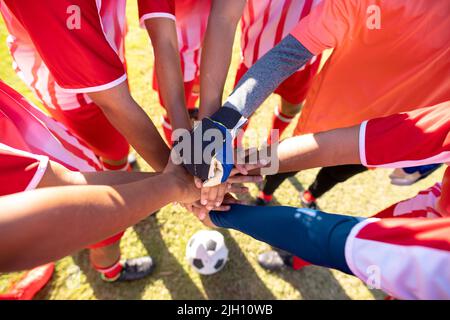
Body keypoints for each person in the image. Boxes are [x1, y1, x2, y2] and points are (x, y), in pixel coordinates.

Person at [181, 0, 449, 201]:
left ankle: (310, 197)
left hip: (383, 140)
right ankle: (266, 194)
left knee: (331, 174)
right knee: (274, 165)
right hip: (325, 121)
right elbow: (289, 53)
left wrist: (424, 165)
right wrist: (223, 122)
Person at [0, 80, 256, 278]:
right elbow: (53, 201)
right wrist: (174, 185)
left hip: (30, 142)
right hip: (46, 162)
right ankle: (111, 272)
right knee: (102, 228)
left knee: (90, 169)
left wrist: (173, 183)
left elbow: (62, 181)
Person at [203, 103, 450, 300]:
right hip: (429, 207)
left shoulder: (439, 258)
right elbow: (352, 144)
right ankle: (298, 256)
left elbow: (338, 242)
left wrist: (221, 214)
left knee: (350, 241)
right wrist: (250, 159)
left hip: (431, 248)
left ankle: (297, 256)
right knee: (359, 234)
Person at [0, 0, 188, 172]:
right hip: (64, 80)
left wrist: (184, 139)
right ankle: (118, 177)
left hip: (108, 51)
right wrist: (176, 176)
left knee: (117, 142)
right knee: (114, 148)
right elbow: (114, 102)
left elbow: (164, 37)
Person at [233, 0, 322, 151]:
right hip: (256, 54)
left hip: (304, 60)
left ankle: (270, 144)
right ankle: (234, 146)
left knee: (291, 108)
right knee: (242, 109)